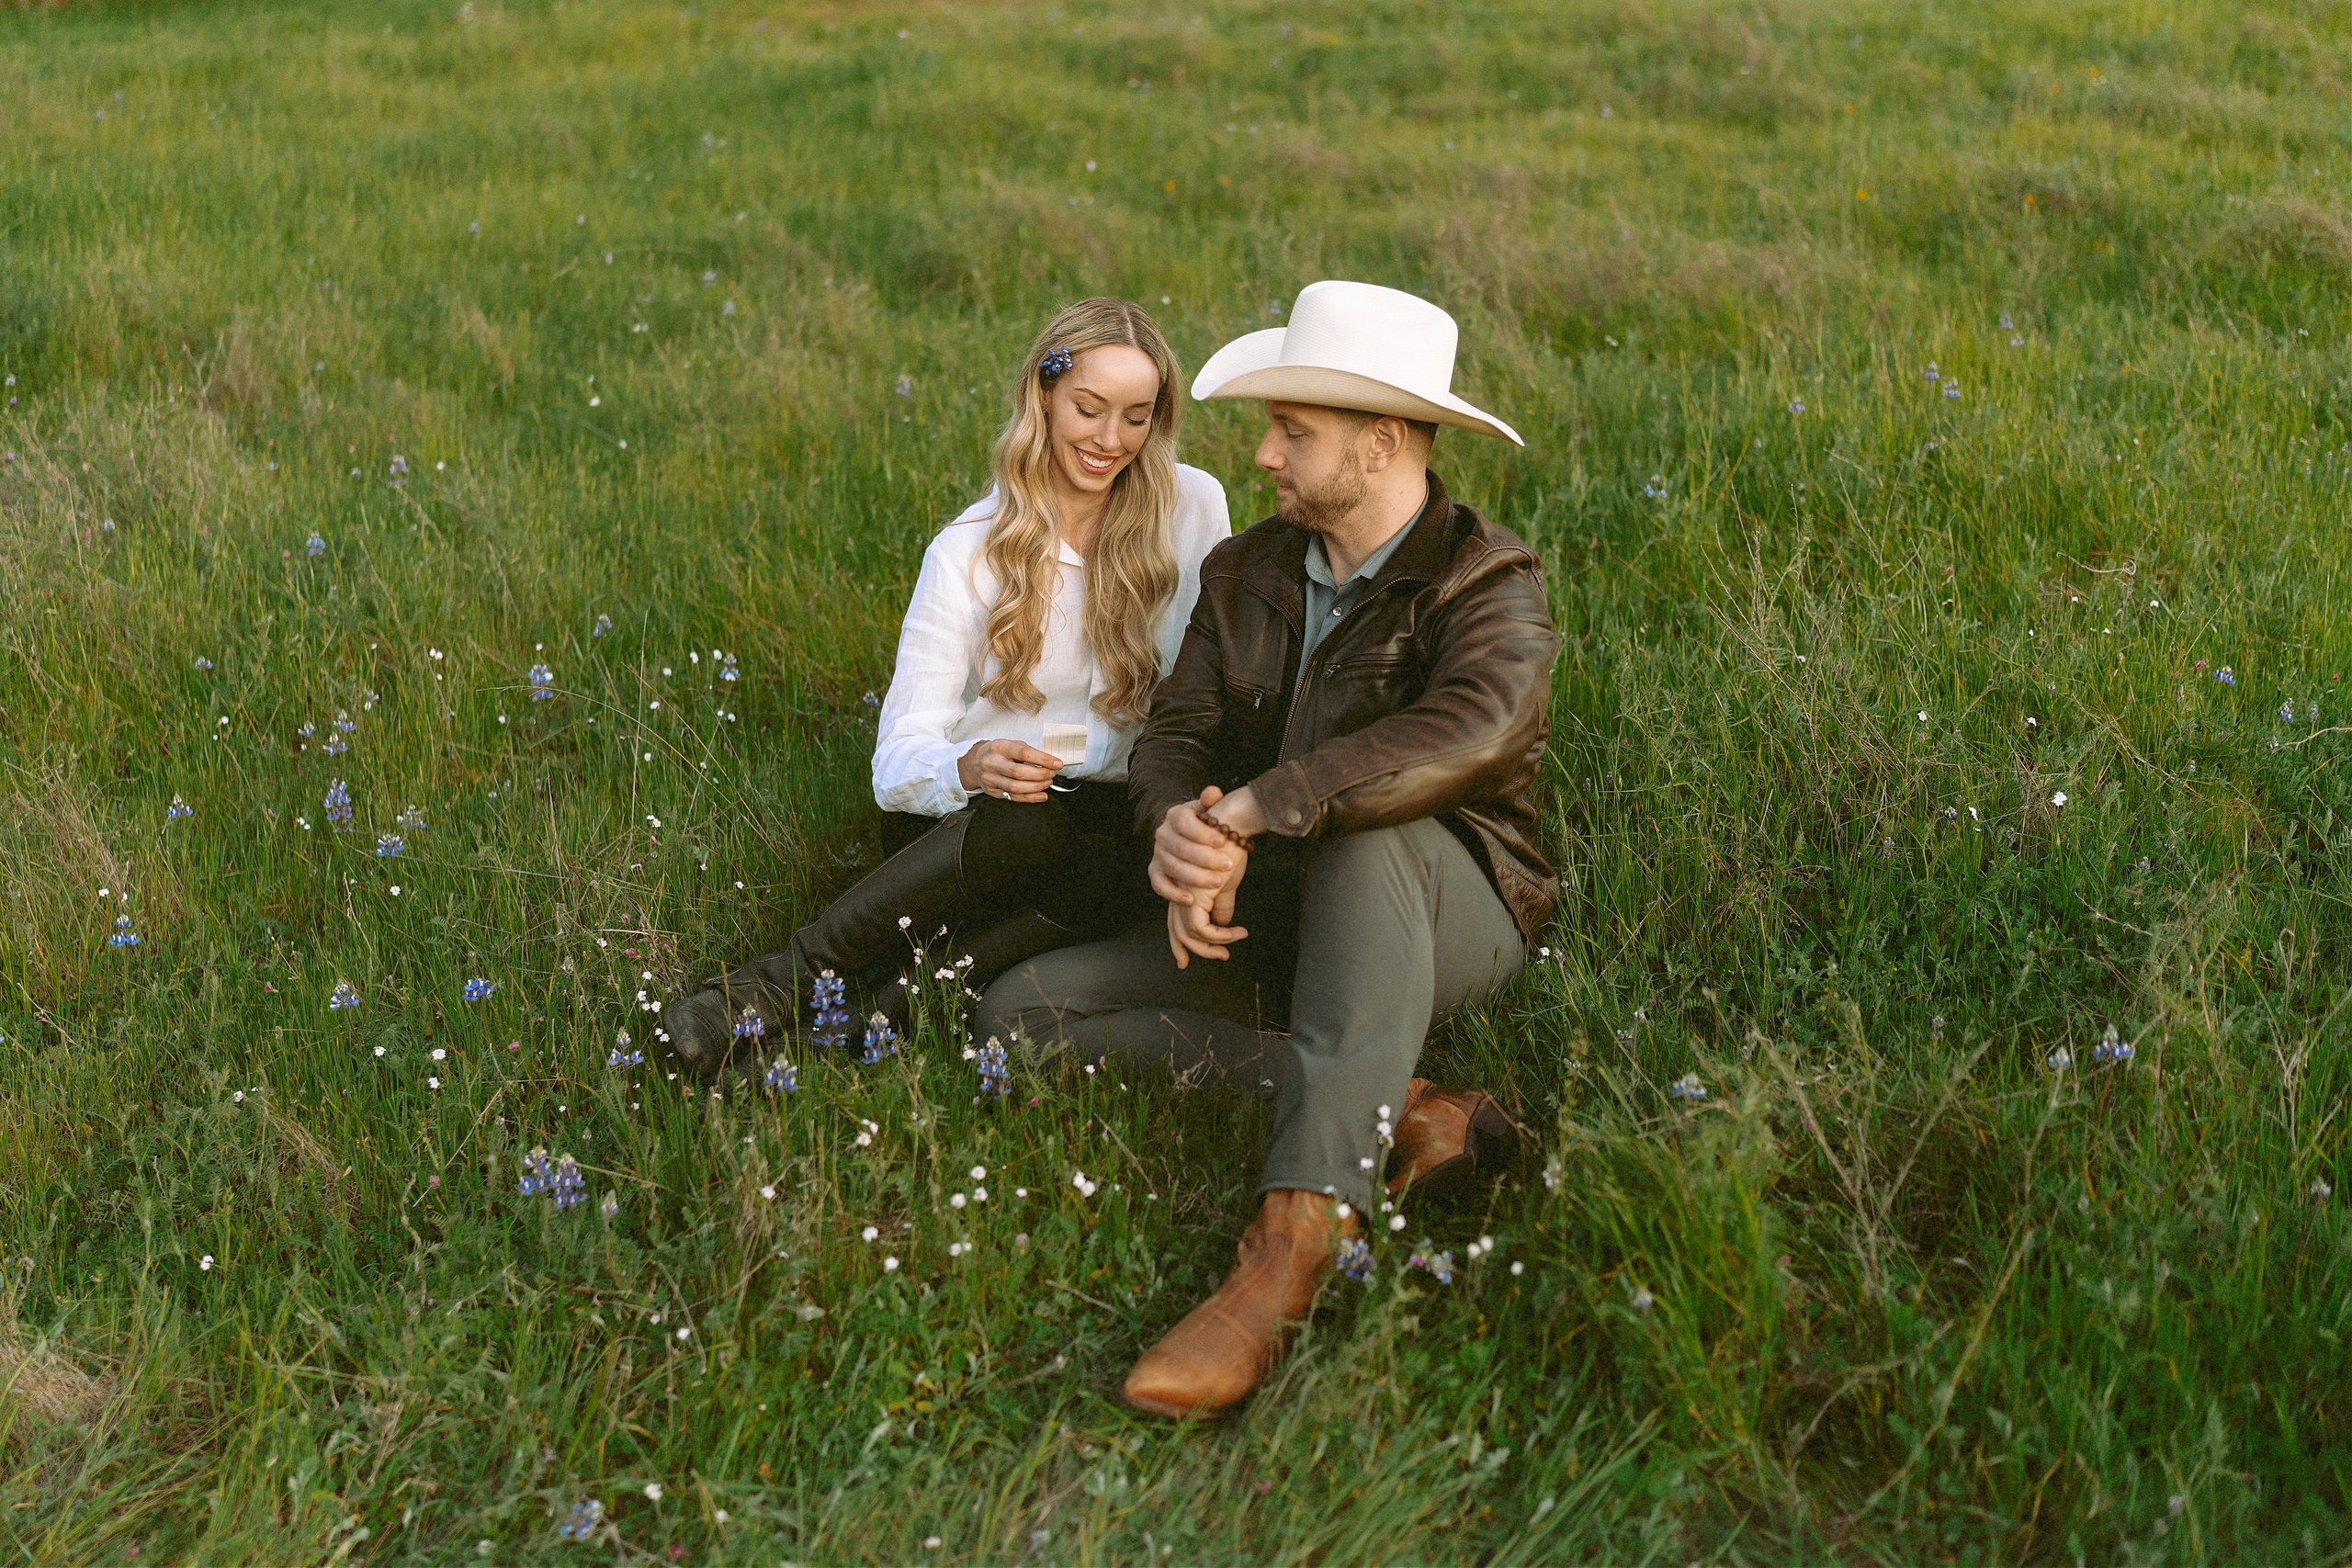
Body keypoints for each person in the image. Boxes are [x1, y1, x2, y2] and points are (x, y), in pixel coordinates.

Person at [975, 280, 1560, 1417]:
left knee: (1369, 836)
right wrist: (1179, 836)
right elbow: (1176, 733)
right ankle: (1412, 1104)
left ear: (1381, 443)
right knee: (1019, 1019)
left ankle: (1289, 1248)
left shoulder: (1488, 579)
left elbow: (1465, 735)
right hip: (1270, 911)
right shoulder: (1246, 568)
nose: (1264, 456)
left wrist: (1259, 808)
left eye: (1293, 432)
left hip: (1446, 916)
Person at [663, 299, 1230, 1081]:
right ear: (1044, 395)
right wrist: (970, 767)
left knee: (1106, 870)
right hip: (980, 832)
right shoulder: (969, 551)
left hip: (1121, 821)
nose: (1110, 441)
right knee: (1034, 830)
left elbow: (1216, 677)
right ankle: (777, 982)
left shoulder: (1193, 506)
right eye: (1089, 409)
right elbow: (897, 758)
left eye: (1137, 418)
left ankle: (838, 1037)